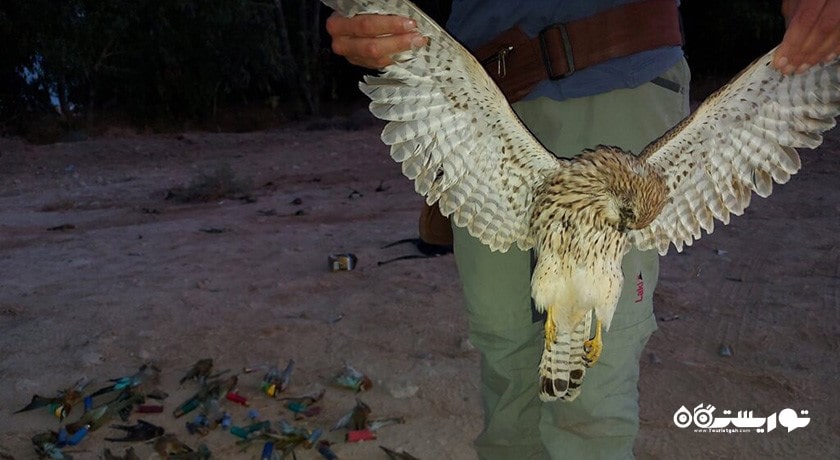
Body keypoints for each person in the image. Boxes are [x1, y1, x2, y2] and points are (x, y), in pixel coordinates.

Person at [326, 1, 840, 459]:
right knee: (505, 358)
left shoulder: (634, 191)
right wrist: (373, 16)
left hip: (616, 70)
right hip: (478, 80)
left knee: (594, 399)